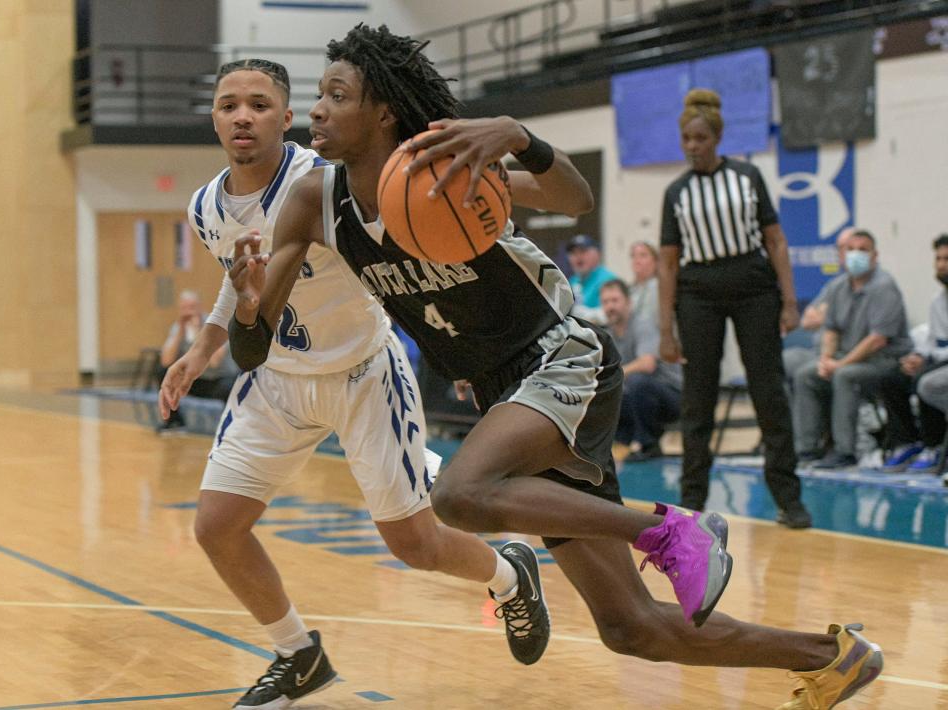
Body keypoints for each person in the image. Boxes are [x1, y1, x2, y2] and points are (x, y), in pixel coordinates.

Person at [227, 26, 882, 709]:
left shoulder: (445, 170)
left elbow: (574, 199)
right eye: (319, 97)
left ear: (385, 110)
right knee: (632, 627)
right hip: (502, 393)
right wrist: (248, 308)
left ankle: (669, 529)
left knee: (457, 494)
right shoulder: (313, 203)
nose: (318, 111)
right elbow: (254, 351)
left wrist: (518, 136)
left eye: (338, 95)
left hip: (563, 356)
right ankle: (833, 655)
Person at [158, 58, 549, 710]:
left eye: (259, 104)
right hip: (278, 379)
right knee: (216, 526)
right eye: (229, 105)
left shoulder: (331, 182)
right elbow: (238, 276)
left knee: (415, 544)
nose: (242, 116)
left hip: (364, 373)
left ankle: (510, 573)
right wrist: (201, 350)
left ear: (286, 117)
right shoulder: (205, 205)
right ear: (215, 118)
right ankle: (297, 655)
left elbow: (425, 236)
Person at [658, 88, 811, 530]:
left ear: (716, 138)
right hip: (698, 293)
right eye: (686, 139)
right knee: (697, 399)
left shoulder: (747, 177)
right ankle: (692, 502)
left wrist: (789, 302)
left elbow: (776, 240)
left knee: (769, 393)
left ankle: (788, 498)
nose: (692, 146)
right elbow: (668, 262)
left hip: (754, 288)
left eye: (700, 138)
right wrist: (666, 328)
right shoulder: (676, 192)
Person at [793, 230, 913, 470]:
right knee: (807, 374)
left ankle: (844, 451)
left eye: (863, 249)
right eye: (850, 249)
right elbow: (831, 330)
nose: (856, 254)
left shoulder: (884, 286)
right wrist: (826, 359)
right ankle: (806, 449)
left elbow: (877, 340)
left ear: (875, 255)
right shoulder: (838, 287)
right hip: (847, 358)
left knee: (845, 376)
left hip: (884, 362)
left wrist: (840, 364)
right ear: (841, 255)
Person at [875, 234, 948, 473]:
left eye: (946, 259)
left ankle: (934, 444)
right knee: (891, 377)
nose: (940, 265)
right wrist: (916, 356)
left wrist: (928, 360)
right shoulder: (938, 301)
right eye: (937, 259)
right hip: (939, 359)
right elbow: (932, 340)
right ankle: (907, 441)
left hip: (942, 363)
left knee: (924, 380)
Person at [601, 278, 681, 461]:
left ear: (628, 302)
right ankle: (621, 443)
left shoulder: (641, 324)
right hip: (640, 393)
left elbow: (647, 364)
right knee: (605, 389)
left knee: (635, 382)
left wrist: (613, 375)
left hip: (671, 395)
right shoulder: (608, 334)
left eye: (615, 300)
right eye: (606, 302)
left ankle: (649, 444)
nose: (610, 306)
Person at [783, 227, 855, 389]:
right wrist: (835, 312)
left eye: (849, 247)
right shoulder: (835, 285)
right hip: (817, 351)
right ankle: (790, 414)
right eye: (840, 248)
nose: (843, 252)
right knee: (779, 362)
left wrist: (827, 312)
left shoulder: (878, 285)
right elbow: (808, 320)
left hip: (846, 354)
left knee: (806, 374)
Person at [156, 290, 238, 431]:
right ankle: (174, 422)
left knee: (230, 386)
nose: (189, 312)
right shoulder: (178, 328)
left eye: (192, 307)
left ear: (201, 307)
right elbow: (166, 360)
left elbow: (214, 362)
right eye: (185, 308)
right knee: (163, 372)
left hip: (218, 381)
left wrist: (200, 330)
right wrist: (181, 330)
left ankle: (232, 428)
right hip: (195, 381)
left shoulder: (215, 326)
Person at [566, 234, 617, 323]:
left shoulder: (608, 280)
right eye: (573, 253)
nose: (578, 257)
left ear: (597, 254)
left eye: (583, 251)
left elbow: (612, 314)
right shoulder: (572, 281)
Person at [629, 240, 660, 324]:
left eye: (643, 255)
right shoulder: (632, 289)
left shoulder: (657, 286)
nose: (637, 260)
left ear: (656, 261)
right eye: (633, 256)